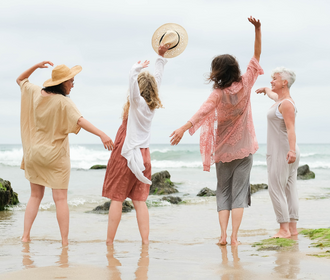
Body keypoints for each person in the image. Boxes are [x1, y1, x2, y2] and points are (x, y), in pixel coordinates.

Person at [170, 16, 262, 246]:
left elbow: (202, 112)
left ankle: (222, 236)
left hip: (222, 151)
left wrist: (184, 127)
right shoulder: (247, 82)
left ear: (218, 72)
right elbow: (257, 56)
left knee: (223, 192)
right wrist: (258, 29)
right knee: (240, 194)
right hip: (244, 149)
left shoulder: (217, 94)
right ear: (235, 69)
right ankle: (234, 238)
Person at [16, 61, 114, 246]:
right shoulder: (63, 102)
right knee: (60, 199)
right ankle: (64, 242)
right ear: (62, 83)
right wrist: (102, 134)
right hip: (55, 157)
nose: (73, 85)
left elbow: (20, 79)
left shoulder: (36, 92)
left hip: (34, 154)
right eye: (71, 81)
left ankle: (25, 236)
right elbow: (80, 120)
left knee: (35, 196)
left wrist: (36, 66)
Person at [102, 43, 171, 245]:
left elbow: (133, 90)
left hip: (126, 154)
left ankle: (109, 242)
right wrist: (160, 58)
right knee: (140, 201)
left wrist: (135, 69)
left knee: (117, 198)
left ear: (139, 88)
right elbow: (157, 79)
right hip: (143, 156)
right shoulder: (150, 107)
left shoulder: (136, 104)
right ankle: (145, 242)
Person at [255, 66, 300, 238]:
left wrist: (291, 151)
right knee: (289, 189)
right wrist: (266, 89)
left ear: (284, 82)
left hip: (283, 151)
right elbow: (273, 95)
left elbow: (291, 129)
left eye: (274, 79)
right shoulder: (281, 100)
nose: (271, 81)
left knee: (276, 189)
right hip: (287, 150)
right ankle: (293, 229)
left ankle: (284, 229)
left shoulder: (286, 104)